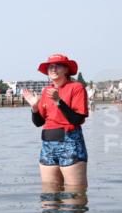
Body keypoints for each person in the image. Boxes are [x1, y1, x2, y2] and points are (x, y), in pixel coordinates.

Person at [21, 53, 88, 188]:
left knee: (75, 193)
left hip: (70, 142)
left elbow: (78, 119)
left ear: (66, 69)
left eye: (58, 66)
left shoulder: (76, 87)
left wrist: (58, 101)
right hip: (48, 144)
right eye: (50, 66)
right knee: (49, 193)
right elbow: (39, 122)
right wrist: (34, 107)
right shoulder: (47, 91)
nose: (53, 69)